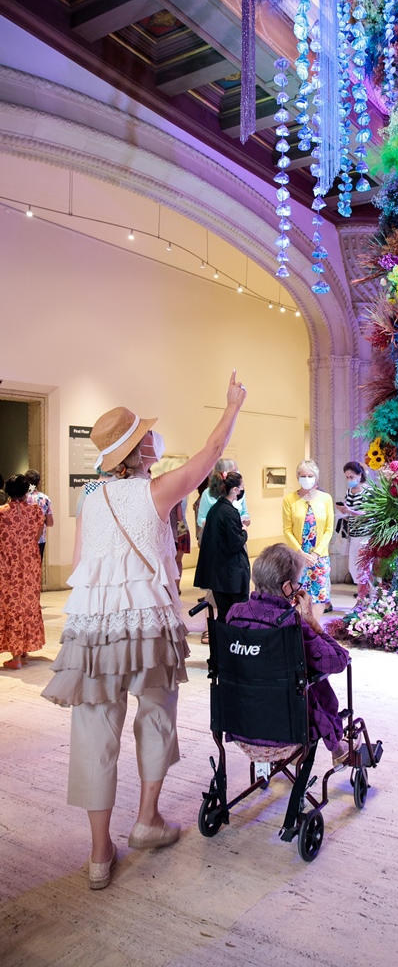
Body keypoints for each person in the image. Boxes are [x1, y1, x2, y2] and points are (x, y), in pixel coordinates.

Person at [41, 371, 247, 891]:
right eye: (147, 434)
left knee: (93, 730)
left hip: (93, 627)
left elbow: (78, 561)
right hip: (147, 620)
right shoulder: (156, 492)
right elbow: (212, 451)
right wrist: (232, 405)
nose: (155, 438)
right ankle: (147, 821)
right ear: (139, 449)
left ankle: (96, 854)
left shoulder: (91, 498)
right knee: (156, 715)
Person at [224, 543, 350, 763]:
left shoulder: (234, 615)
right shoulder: (290, 624)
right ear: (286, 588)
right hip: (287, 731)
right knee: (312, 681)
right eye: (297, 583)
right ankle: (337, 746)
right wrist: (311, 621)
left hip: (240, 724)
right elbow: (339, 660)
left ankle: (336, 746)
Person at [194, 470, 250, 626]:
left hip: (218, 574)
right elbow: (235, 544)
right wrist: (244, 533)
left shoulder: (215, 509)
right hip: (231, 575)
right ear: (234, 490)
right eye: (242, 487)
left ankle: (223, 646)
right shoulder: (230, 512)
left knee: (223, 614)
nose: (242, 490)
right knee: (238, 615)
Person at [0, 474, 45, 669]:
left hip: (7, 567)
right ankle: (24, 649)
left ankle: (16, 656)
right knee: (27, 603)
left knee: (10, 605)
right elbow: (37, 536)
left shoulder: (1, 513)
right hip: (29, 566)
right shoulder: (35, 511)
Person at [283, 460, 334, 622]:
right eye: (303, 475)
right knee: (297, 595)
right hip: (298, 558)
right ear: (297, 477)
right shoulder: (289, 500)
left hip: (319, 557)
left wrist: (316, 553)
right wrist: (301, 554)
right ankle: (298, 630)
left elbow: (329, 529)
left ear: (316, 477)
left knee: (319, 596)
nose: (306, 478)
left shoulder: (325, 499)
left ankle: (314, 629)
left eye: (310, 475)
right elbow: (287, 530)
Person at [338, 460, 371, 605]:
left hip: (365, 535)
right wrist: (343, 512)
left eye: (351, 477)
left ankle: (362, 598)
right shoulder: (349, 492)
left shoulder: (368, 491)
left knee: (363, 566)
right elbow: (348, 510)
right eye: (346, 477)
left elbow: (371, 513)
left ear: (359, 475)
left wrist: (351, 511)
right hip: (353, 534)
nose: (349, 480)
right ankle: (363, 594)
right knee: (353, 566)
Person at [196, 458, 251, 542]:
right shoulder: (208, 493)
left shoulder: (239, 492)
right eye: (235, 470)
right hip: (215, 539)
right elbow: (201, 518)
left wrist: (246, 521)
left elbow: (244, 512)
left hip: (236, 536)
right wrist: (210, 523)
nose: (238, 472)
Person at [25, 468, 53, 562]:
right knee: (37, 566)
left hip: (24, 537)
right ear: (39, 482)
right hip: (40, 539)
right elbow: (50, 522)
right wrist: (41, 520)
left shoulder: (22, 498)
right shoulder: (45, 499)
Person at [169, 498, 191, 593]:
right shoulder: (184, 496)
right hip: (182, 530)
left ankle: (173, 588)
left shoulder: (175, 496)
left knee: (171, 561)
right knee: (178, 561)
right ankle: (177, 587)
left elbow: (179, 517)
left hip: (173, 530)